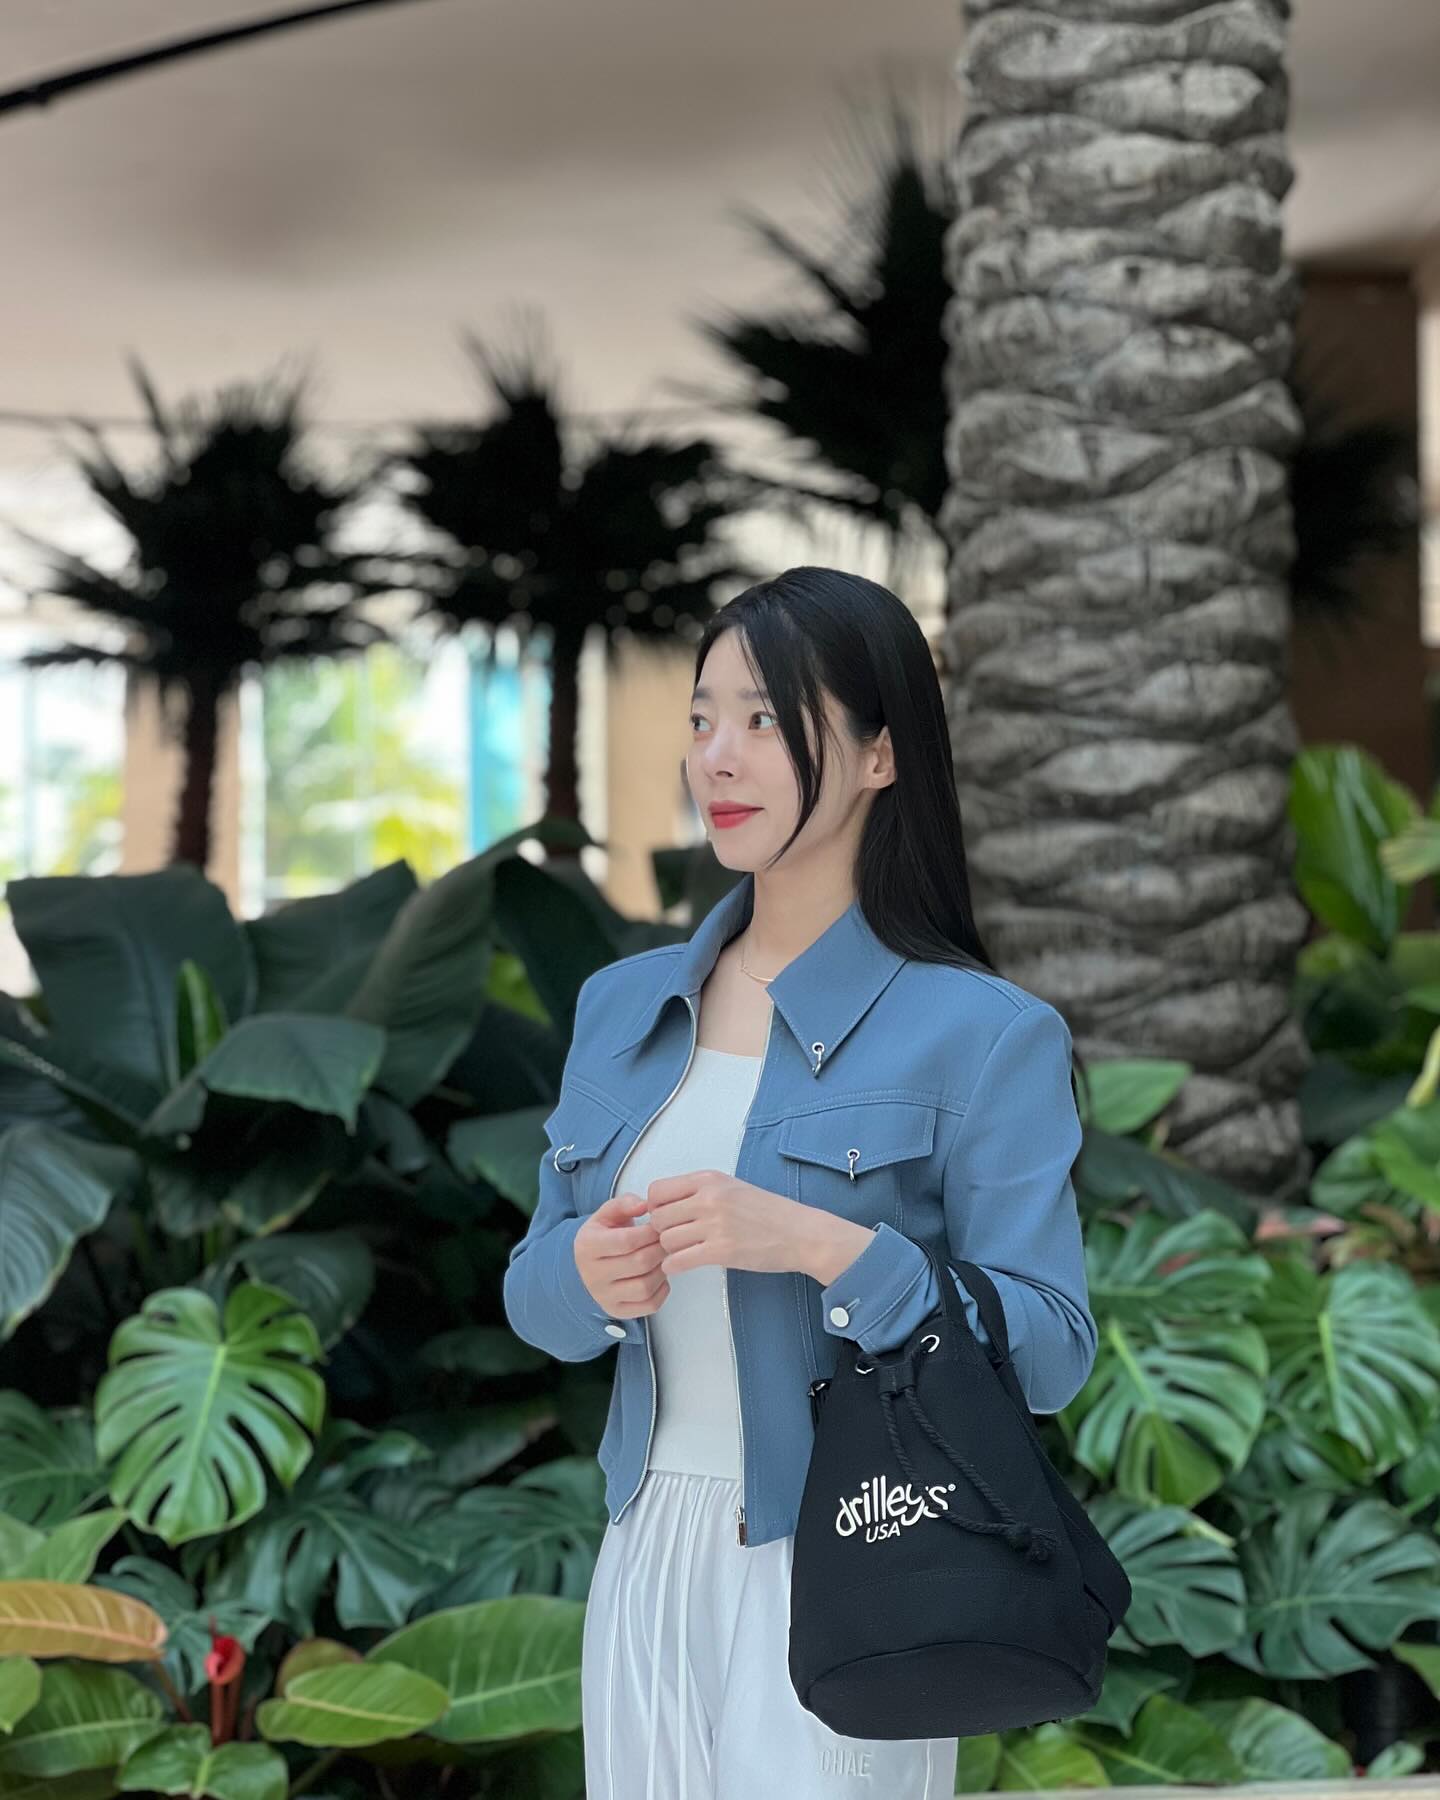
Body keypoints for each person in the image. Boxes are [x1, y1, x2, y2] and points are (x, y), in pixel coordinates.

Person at [502, 566, 1097, 1798]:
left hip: (856, 1559)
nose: (717, 757)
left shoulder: (986, 1035)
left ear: (881, 754)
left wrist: (829, 1249)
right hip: (645, 1552)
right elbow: (535, 1293)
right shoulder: (621, 1006)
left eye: (767, 720)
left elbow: (1050, 1353)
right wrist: (584, 1276)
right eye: (703, 718)